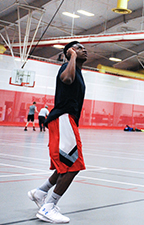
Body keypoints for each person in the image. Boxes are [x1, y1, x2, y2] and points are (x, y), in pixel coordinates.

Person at [27, 41, 87, 223]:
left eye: (83, 48)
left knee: (65, 164)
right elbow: (67, 80)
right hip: (63, 119)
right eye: (78, 47)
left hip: (66, 121)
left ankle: (40, 192)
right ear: (69, 52)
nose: (83, 49)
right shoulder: (66, 68)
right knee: (74, 165)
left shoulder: (77, 71)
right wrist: (73, 57)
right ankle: (49, 207)